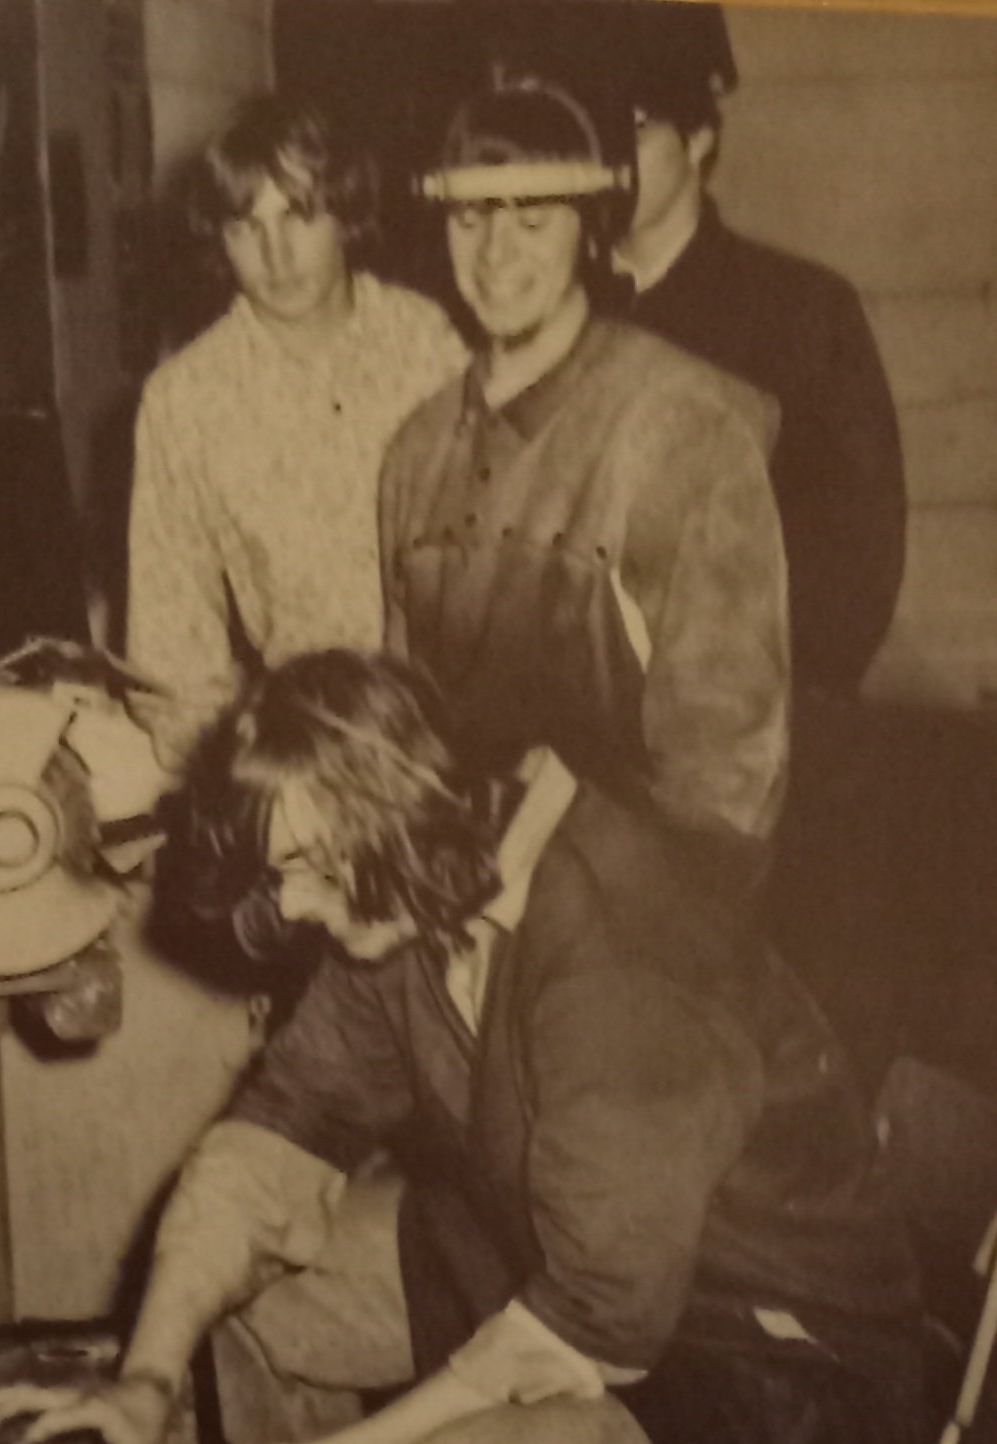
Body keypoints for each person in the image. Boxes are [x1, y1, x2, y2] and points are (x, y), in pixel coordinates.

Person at [0, 649, 926, 1444]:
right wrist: (144, 1375)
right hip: (562, 1260)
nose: (288, 903)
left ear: (391, 810)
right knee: (251, 1305)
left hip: (781, 1361)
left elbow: (597, 1316)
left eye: (303, 866)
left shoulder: (620, 946)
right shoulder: (416, 887)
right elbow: (274, 1132)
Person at [379, 71, 789, 886]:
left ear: (592, 231)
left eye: (533, 220)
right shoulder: (416, 451)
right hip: (447, 893)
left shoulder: (681, 430)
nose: (497, 254)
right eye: (470, 219)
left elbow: (726, 779)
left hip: (627, 923)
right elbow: (401, 720)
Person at [125, 95, 467, 768]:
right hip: (304, 752)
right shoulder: (186, 399)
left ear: (344, 213)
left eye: (297, 215)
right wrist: (236, 785)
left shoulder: (431, 347)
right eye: (245, 227)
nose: (275, 254)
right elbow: (172, 645)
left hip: (456, 731)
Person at [606, 2, 907, 694]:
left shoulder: (804, 313)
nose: (615, 165)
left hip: (756, 722)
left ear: (700, 138)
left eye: (639, 132)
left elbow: (856, 561)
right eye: (600, 138)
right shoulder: (556, 312)